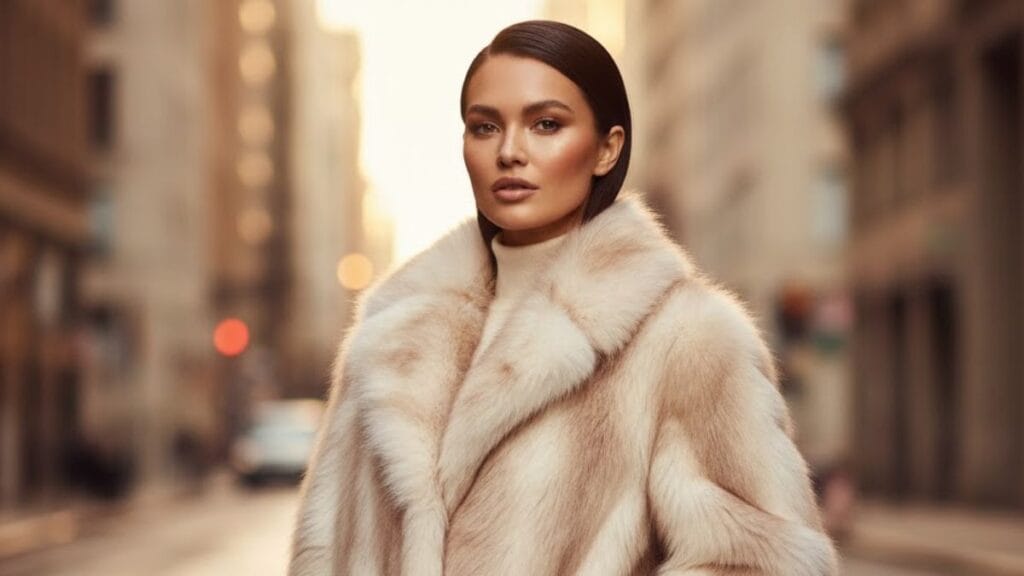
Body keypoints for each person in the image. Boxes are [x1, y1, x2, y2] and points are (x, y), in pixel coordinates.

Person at [289, 20, 837, 576]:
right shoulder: (387, 341)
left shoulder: (686, 339)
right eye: (484, 128)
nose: (509, 152)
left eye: (546, 124)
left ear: (606, 149)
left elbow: (767, 561)